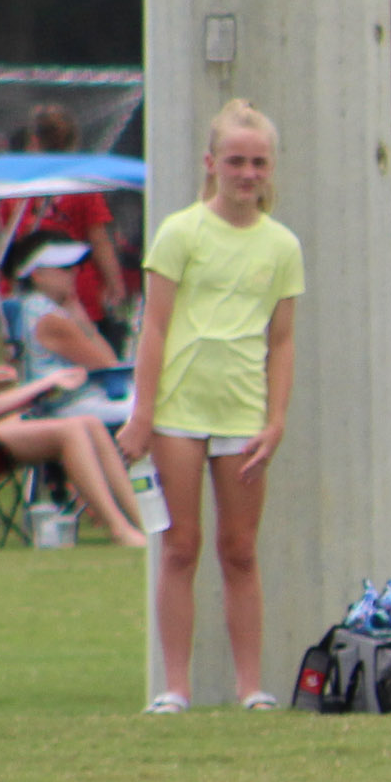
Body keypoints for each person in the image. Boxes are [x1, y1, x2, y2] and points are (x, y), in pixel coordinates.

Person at [117, 99, 303, 711]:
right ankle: (175, 687)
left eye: (258, 163)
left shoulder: (281, 246)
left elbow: (281, 340)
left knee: (240, 551)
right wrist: (143, 415)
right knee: (180, 547)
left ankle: (251, 687)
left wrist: (275, 421)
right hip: (179, 411)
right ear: (211, 164)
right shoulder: (181, 233)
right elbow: (154, 327)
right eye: (236, 161)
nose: (247, 174)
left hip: (242, 413)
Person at [0, 361, 147, 547]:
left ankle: (141, 522)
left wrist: (45, 384)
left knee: (91, 423)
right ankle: (118, 529)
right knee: (70, 431)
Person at [0, 104, 127, 345]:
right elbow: (99, 240)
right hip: (77, 289)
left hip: (30, 288)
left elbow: (7, 244)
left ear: (34, 141)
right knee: (87, 353)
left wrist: (3, 289)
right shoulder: (81, 185)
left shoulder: (16, 189)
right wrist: (114, 284)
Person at [3, 232, 130, 424]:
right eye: (64, 268)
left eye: (74, 267)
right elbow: (108, 366)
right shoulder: (49, 318)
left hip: (63, 402)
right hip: (65, 405)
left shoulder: (31, 305)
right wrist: (81, 318)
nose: (74, 273)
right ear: (37, 276)